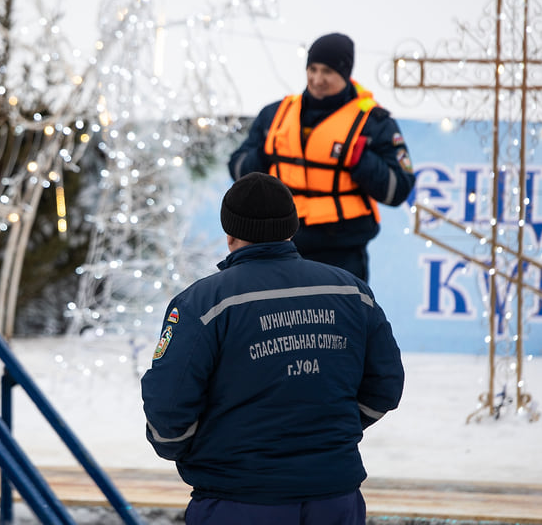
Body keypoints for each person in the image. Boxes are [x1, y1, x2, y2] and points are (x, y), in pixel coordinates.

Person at [141, 172, 405, 525]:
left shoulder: (202, 304)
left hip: (238, 499)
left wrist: (204, 452)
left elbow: (168, 413)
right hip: (336, 497)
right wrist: (330, 435)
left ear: (230, 231)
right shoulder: (351, 292)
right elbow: (385, 386)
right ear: (292, 227)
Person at [227, 32, 416, 282]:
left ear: (346, 74)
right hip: (278, 248)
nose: (317, 79)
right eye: (312, 69)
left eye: (327, 71)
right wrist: (264, 153)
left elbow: (399, 190)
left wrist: (361, 161)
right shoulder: (275, 116)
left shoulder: (375, 123)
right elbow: (238, 170)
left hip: (341, 254)